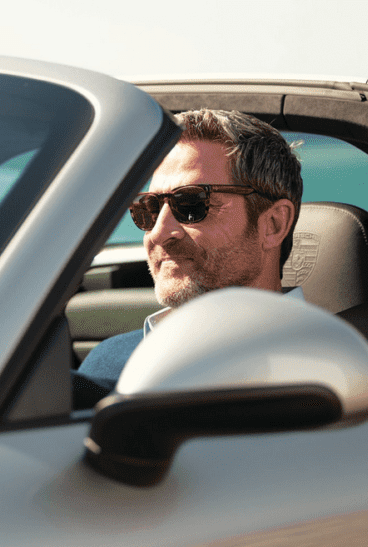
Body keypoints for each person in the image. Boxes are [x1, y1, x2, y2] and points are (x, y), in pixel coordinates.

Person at [76, 108, 303, 384]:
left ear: (274, 224)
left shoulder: (336, 365)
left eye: (192, 204)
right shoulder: (108, 364)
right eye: (149, 208)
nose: (159, 233)